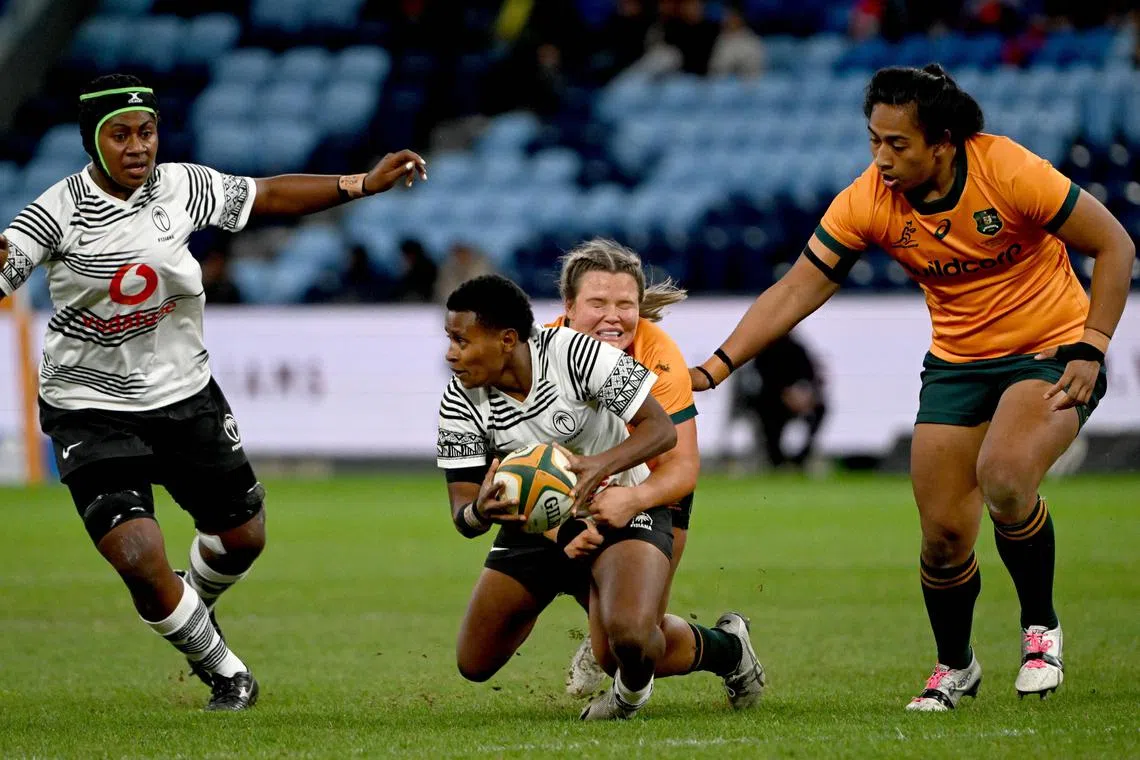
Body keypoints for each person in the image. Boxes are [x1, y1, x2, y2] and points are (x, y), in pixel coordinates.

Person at [688, 64, 1134, 711]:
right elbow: (794, 290)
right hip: (956, 367)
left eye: (897, 144)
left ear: (944, 143)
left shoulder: (1007, 171)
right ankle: (955, 666)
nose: (882, 157)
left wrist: (1093, 346)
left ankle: (1040, 628)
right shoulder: (869, 199)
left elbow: (1114, 244)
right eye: (874, 140)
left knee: (1006, 474)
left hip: (1052, 351)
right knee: (944, 536)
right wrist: (718, 366)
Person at [0, 74, 427, 711]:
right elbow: (9, 262)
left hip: (184, 396)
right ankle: (227, 672)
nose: (138, 146)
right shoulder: (53, 213)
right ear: (92, 141)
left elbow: (270, 195)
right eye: (120, 135)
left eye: (146, 131)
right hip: (90, 406)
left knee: (244, 538)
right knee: (139, 555)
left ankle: (192, 604)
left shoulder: (184, 186)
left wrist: (360, 183)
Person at [437, 274, 762, 721]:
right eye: (449, 339)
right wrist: (480, 511)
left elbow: (662, 430)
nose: (450, 353)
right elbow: (462, 511)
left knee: (627, 641)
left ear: (506, 340)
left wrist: (600, 467)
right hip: (537, 527)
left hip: (620, 507)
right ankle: (592, 591)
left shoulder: (577, 352)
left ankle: (720, 653)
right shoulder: (459, 399)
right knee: (473, 662)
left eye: (460, 340)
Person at [548, 238, 763, 706]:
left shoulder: (659, 356)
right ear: (568, 306)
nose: (614, 316)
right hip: (576, 496)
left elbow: (681, 471)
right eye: (598, 303)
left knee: (631, 645)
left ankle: (730, 649)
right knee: (482, 654)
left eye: (626, 305)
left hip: (654, 496)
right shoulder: (540, 349)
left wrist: (632, 500)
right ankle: (602, 617)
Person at [732, 332, 827, 471]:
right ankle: (776, 458)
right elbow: (761, 379)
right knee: (769, 414)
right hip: (772, 401)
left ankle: (801, 457)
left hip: (797, 401)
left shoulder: (798, 348)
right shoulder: (765, 350)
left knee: (820, 409)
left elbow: (811, 375)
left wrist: (807, 395)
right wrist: (785, 394)